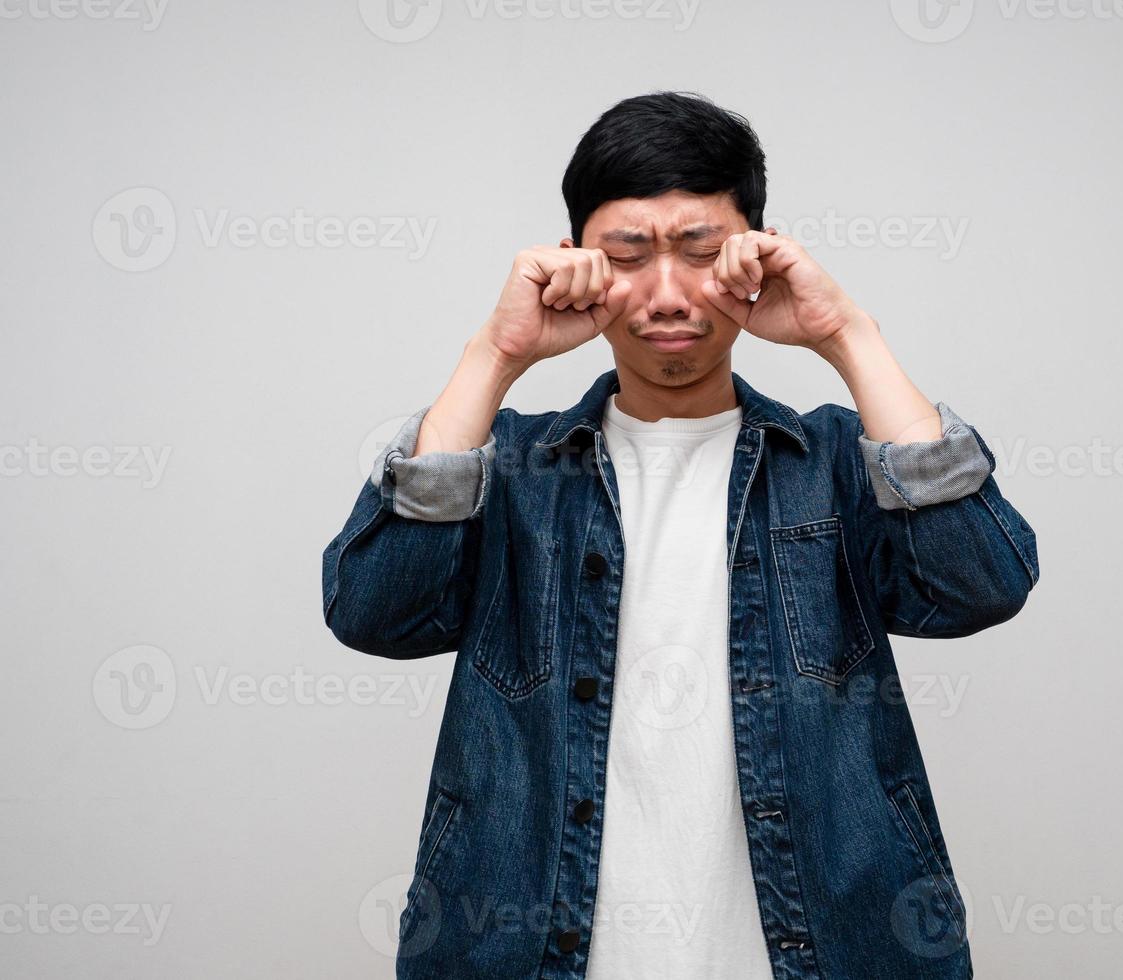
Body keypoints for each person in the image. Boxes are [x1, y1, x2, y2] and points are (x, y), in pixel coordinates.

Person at [322, 90, 1039, 980]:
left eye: (701, 252)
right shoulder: (502, 467)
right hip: (534, 953)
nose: (666, 293)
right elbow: (375, 614)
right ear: (576, 260)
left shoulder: (832, 462)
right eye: (627, 255)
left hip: (823, 952)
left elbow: (980, 583)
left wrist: (846, 335)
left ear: (755, 253)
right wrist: (493, 357)